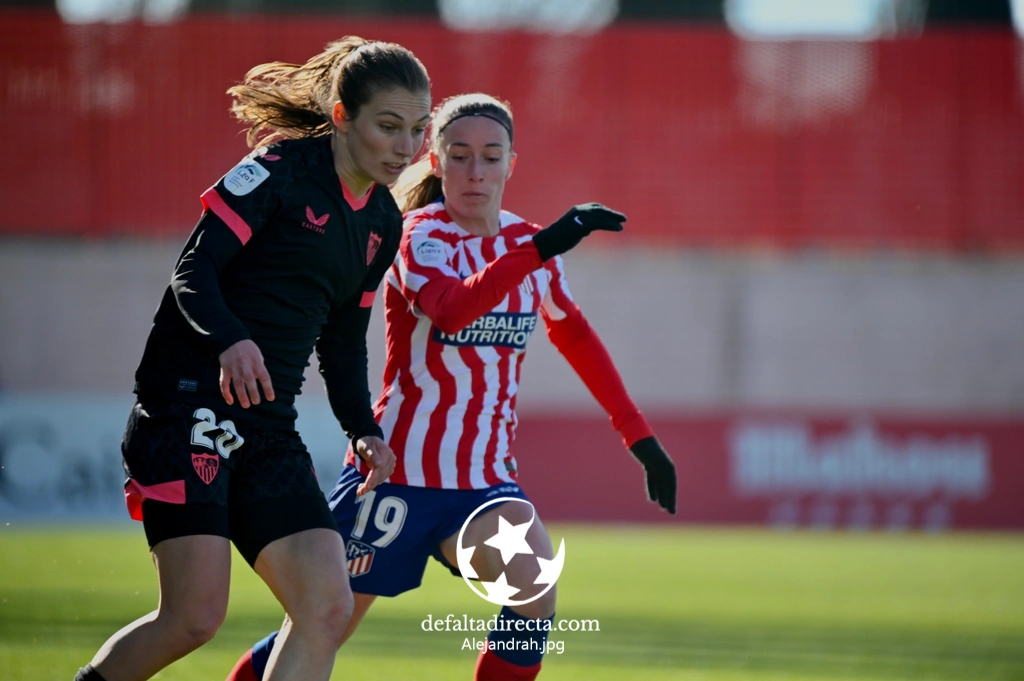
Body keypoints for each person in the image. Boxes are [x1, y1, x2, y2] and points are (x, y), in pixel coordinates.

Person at [226, 93, 676, 681]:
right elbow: (449, 309)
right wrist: (541, 247)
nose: (476, 171)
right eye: (459, 156)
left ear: (512, 164)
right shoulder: (417, 234)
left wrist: (639, 438)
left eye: (491, 156)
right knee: (321, 626)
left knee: (534, 589)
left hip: (483, 484)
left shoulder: (531, 242)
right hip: (394, 476)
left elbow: (576, 337)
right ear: (434, 162)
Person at [73, 37, 432, 681]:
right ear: (343, 116)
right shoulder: (280, 170)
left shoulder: (384, 220)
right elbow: (194, 270)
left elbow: (345, 341)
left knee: (326, 607)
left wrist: (362, 427)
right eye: (389, 126)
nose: (407, 148)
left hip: (268, 430)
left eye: (417, 129)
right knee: (192, 618)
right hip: (186, 410)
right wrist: (231, 340)